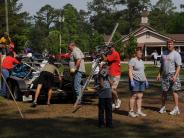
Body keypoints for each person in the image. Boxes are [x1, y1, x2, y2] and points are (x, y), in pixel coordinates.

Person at [157, 40, 182, 115]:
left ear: (173, 45)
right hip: (164, 75)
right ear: (166, 45)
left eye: (171, 44)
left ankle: (176, 108)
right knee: (164, 91)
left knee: (174, 91)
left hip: (173, 75)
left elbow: (178, 66)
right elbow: (162, 65)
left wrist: (175, 76)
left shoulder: (176, 54)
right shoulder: (163, 53)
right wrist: (159, 74)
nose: (169, 45)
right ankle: (163, 107)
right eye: (168, 44)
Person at [128, 48, 149, 118]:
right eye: (139, 52)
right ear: (136, 53)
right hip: (135, 80)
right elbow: (130, 70)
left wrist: (146, 80)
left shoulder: (142, 61)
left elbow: (143, 72)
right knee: (133, 96)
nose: (140, 53)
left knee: (140, 96)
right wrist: (131, 80)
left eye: (141, 52)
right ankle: (131, 111)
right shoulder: (132, 60)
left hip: (142, 81)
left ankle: (138, 111)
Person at [103, 45, 121, 109]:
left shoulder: (115, 53)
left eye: (110, 48)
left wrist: (102, 53)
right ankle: (114, 103)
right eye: (108, 48)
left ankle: (118, 100)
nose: (109, 49)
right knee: (111, 90)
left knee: (112, 89)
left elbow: (105, 59)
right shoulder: (110, 54)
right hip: (111, 74)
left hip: (116, 74)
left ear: (113, 48)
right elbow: (106, 61)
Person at [98, 64, 113, 128]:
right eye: (107, 69)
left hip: (108, 94)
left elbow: (111, 83)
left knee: (109, 109)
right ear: (103, 69)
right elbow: (101, 85)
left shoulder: (109, 75)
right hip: (102, 95)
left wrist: (108, 77)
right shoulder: (100, 75)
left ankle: (109, 123)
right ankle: (101, 123)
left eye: (108, 69)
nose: (108, 70)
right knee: (101, 110)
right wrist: (102, 76)